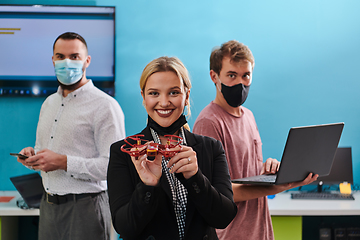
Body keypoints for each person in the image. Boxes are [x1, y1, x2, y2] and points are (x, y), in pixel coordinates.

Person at [193, 40, 318, 240]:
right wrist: (282, 186)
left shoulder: (249, 116)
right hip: (230, 235)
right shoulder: (208, 122)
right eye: (232, 75)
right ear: (214, 76)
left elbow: (242, 170)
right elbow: (216, 193)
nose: (240, 84)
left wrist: (267, 169)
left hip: (261, 232)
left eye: (246, 75)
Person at [107, 56, 237, 240]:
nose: (164, 102)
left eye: (174, 92)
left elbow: (223, 217)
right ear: (143, 97)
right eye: (154, 93)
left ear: (187, 96)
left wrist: (195, 178)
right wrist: (148, 186)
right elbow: (125, 227)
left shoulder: (211, 148)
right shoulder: (124, 152)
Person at [16, 32, 126, 240]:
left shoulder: (105, 106)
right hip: (48, 207)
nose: (67, 62)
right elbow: (43, 151)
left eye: (74, 56)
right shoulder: (48, 103)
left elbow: (113, 167)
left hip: (86, 207)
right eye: (60, 56)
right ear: (53, 60)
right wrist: (33, 157)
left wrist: (64, 162)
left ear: (87, 60)